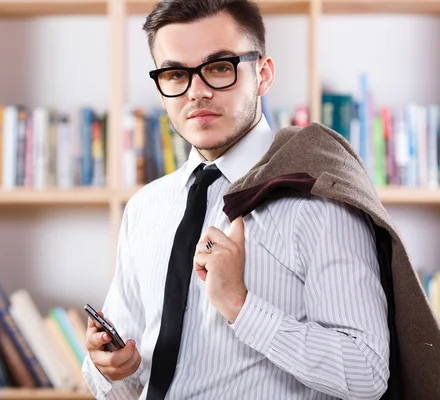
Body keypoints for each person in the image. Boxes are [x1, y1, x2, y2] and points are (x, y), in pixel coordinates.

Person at [82, 0, 391, 399]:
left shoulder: (318, 198)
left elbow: (366, 374)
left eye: (218, 68)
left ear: (263, 74)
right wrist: (109, 367)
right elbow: (124, 384)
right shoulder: (146, 207)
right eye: (176, 73)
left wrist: (240, 307)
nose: (197, 92)